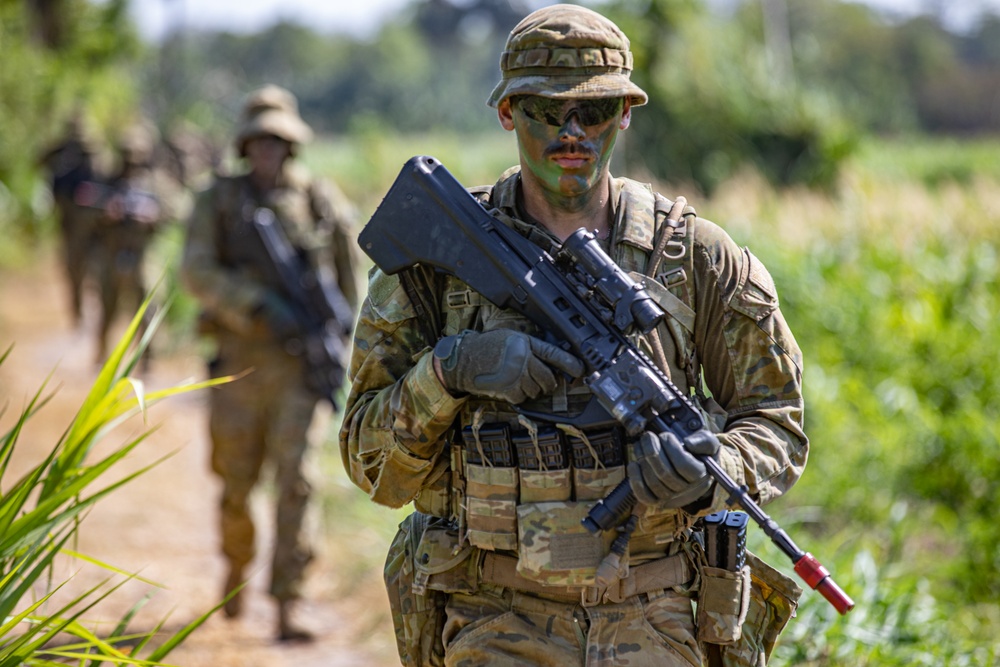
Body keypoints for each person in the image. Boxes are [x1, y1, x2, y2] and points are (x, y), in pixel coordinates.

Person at [341, 5, 807, 667]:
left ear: (624, 113)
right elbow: (371, 464)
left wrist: (714, 470)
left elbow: (778, 425)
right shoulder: (436, 260)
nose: (571, 134)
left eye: (592, 112)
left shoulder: (699, 259)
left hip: (660, 618)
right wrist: (447, 373)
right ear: (507, 113)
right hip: (492, 617)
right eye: (545, 111)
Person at [180, 84, 360, 641]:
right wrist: (254, 304)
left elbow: (347, 279)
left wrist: (339, 337)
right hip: (240, 366)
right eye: (259, 140)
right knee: (236, 485)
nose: (268, 151)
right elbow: (196, 271)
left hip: (298, 369)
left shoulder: (319, 200)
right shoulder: (219, 200)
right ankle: (236, 568)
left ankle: (287, 601)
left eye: (278, 141)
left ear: (292, 145)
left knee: (297, 482)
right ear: (244, 144)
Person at [87, 122, 187, 363]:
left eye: (138, 156)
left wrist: (154, 214)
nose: (132, 161)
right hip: (111, 253)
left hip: (144, 255)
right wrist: (107, 213)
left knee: (148, 309)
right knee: (107, 307)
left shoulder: (157, 183)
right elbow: (86, 210)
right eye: (128, 155)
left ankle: (147, 360)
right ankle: (101, 354)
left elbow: (179, 209)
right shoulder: (108, 182)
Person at [38, 113, 103, 327]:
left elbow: (105, 182)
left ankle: (92, 313)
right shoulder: (61, 154)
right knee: (73, 269)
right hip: (69, 223)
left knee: (93, 270)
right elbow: (40, 162)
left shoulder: (95, 153)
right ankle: (78, 313)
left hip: (91, 225)